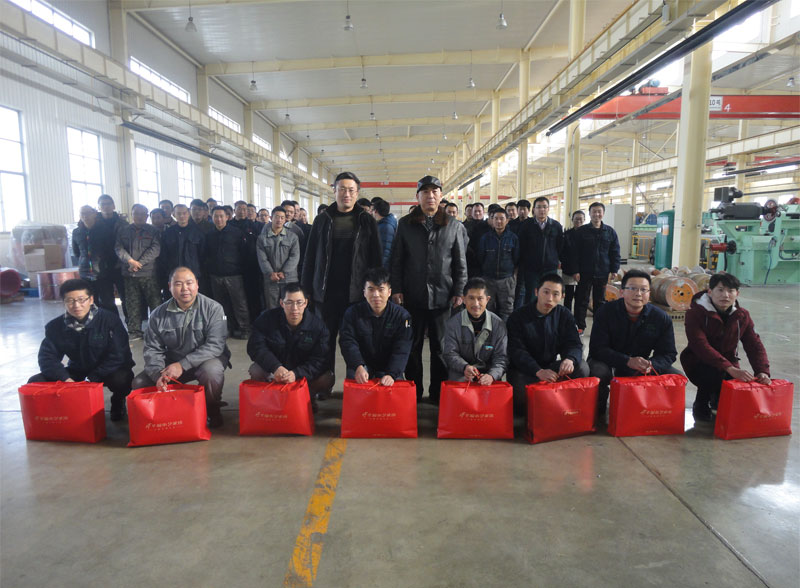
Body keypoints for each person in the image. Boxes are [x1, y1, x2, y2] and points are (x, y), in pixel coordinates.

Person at [390, 175, 468, 403]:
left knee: (441, 347)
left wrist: (459, 291)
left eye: (435, 191)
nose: (430, 196)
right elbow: (397, 260)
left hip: (443, 297)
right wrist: (397, 288)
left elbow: (460, 262)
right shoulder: (405, 224)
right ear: (418, 197)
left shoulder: (454, 225)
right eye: (425, 192)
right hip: (412, 296)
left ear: (441, 195)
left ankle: (437, 393)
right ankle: (413, 392)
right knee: (412, 345)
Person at [302, 171, 382, 382]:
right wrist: (306, 289)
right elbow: (310, 256)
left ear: (357, 193)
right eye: (342, 189)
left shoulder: (366, 220)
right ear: (334, 191)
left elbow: (376, 258)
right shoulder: (322, 220)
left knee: (355, 341)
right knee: (324, 341)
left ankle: (355, 385)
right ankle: (323, 384)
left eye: (351, 190)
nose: (347, 194)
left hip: (356, 294)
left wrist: (375, 290)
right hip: (325, 293)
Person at [131, 267, 230, 427]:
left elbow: (215, 345)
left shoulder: (213, 308)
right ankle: (167, 414)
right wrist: (158, 375)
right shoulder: (157, 315)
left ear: (197, 284)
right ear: (170, 286)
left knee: (211, 371)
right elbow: (152, 349)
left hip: (205, 360)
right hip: (173, 362)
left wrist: (183, 365)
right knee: (139, 383)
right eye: (178, 284)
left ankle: (212, 409)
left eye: (189, 283)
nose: (185, 288)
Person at [28, 278, 134, 421]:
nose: (76, 305)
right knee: (36, 381)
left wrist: (92, 378)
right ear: (64, 302)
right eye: (70, 301)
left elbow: (119, 355)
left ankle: (118, 401)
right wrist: (65, 379)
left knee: (122, 379)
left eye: (81, 299)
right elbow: (47, 358)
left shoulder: (109, 320)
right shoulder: (55, 327)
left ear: (91, 299)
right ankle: (57, 413)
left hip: (107, 371)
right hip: (78, 370)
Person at [588, 269, 682, 419]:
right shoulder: (606, 312)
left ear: (649, 294)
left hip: (641, 363)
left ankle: (656, 412)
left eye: (643, 290)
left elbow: (668, 353)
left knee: (676, 376)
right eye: (632, 288)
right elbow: (597, 349)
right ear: (622, 292)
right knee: (599, 372)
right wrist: (627, 361)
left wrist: (651, 364)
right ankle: (598, 410)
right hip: (608, 360)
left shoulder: (660, 318)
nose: (638, 294)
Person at [680, 273, 770, 422]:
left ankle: (718, 397)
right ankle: (701, 402)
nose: (725, 295)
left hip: (729, 361)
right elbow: (700, 345)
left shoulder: (742, 316)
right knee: (711, 374)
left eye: (730, 291)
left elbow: (754, 345)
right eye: (720, 290)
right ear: (710, 291)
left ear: (737, 293)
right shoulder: (695, 313)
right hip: (697, 361)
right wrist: (729, 368)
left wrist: (762, 371)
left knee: (736, 387)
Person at [507, 273, 589, 415]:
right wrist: (538, 371)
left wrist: (569, 359)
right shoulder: (518, 316)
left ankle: (565, 408)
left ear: (562, 296)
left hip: (551, 366)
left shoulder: (564, 315)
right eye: (545, 292)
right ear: (536, 292)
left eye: (555, 294)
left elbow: (574, 343)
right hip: (525, 369)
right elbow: (516, 351)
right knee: (520, 391)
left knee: (582, 367)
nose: (549, 298)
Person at [247, 283, 333, 411]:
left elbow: (320, 359)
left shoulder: (318, 327)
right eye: (289, 302)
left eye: (299, 302)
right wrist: (275, 367)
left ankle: (307, 398)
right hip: (275, 372)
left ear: (306, 303)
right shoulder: (266, 320)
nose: (294, 308)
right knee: (256, 370)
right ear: (281, 303)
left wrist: (296, 373)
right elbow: (256, 347)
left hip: (301, 375)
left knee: (327, 377)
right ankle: (271, 399)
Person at [339, 267, 412, 386]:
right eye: (371, 289)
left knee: (393, 390)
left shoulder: (401, 316)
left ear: (389, 292)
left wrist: (392, 374)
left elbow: (402, 348)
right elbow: (348, 342)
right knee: (356, 386)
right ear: (364, 292)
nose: (376, 295)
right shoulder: (352, 313)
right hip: (362, 366)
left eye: (381, 289)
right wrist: (358, 365)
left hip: (389, 368)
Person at [443, 277, 508, 385]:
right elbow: (450, 353)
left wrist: (492, 375)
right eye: (471, 298)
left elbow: (501, 357)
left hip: (488, 374)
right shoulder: (453, 324)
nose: (476, 304)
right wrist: (464, 367)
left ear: (487, 300)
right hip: (462, 372)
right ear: (464, 299)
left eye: (480, 298)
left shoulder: (498, 325)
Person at [571, 202, 621, 334]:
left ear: (603, 213)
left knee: (600, 301)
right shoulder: (581, 231)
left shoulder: (610, 232)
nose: (596, 214)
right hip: (584, 272)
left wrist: (614, 269)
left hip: (602, 272)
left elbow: (615, 252)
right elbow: (574, 253)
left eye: (599, 211)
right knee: (581, 300)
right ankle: (579, 326)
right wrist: (575, 270)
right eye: (594, 211)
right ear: (589, 213)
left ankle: (599, 327)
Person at [115, 203, 161, 340]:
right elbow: (118, 248)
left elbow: (155, 249)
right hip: (129, 273)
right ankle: (134, 330)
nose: (139, 216)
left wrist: (139, 263)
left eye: (142, 214)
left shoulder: (153, 231)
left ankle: (157, 330)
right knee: (132, 303)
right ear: (132, 214)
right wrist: (130, 261)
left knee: (155, 302)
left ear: (147, 216)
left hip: (149, 273)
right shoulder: (123, 231)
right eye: (136, 213)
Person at [203, 205, 251, 339]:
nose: (218, 219)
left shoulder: (236, 233)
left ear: (227, 217)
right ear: (212, 218)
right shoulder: (209, 235)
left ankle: (245, 328)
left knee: (240, 304)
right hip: (215, 275)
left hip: (234, 275)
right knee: (221, 305)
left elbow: (244, 253)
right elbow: (206, 254)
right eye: (216, 216)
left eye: (221, 216)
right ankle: (227, 327)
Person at [516, 196, 563, 307]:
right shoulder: (526, 225)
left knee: (549, 296)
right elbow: (521, 246)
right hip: (531, 269)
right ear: (534, 209)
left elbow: (560, 246)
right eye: (539, 207)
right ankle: (530, 317)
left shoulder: (556, 226)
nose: (542, 210)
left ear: (548, 209)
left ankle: (548, 317)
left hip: (550, 268)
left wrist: (553, 259)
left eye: (544, 207)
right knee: (531, 296)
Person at [72, 205, 118, 312]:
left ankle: (112, 322)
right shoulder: (77, 232)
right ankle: (95, 322)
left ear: (94, 214)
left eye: (88, 213)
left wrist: (107, 267)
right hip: (85, 273)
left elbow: (112, 252)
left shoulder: (104, 230)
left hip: (103, 273)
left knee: (108, 302)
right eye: (82, 213)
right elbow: (77, 252)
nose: (85, 216)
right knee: (90, 302)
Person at [477, 208, 519, 321]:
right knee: (488, 307)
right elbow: (481, 257)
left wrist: (512, 274)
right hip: (488, 279)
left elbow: (516, 258)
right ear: (492, 220)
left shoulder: (513, 238)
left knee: (507, 309)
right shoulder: (485, 238)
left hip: (506, 279)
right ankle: (490, 330)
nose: (498, 221)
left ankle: (504, 331)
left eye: (501, 218)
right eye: (496, 218)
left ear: (507, 220)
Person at [256, 206, 300, 309]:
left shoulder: (293, 237)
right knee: (272, 308)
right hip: (271, 279)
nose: (279, 220)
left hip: (289, 279)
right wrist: (270, 273)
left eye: (282, 217)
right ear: (271, 218)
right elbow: (262, 259)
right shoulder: (262, 238)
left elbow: (294, 257)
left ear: (285, 220)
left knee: (290, 307)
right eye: (276, 217)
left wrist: (284, 272)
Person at [230, 200, 265, 322]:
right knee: (237, 298)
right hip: (234, 268)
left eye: (245, 209)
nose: (242, 211)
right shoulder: (229, 226)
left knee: (253, 295)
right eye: (239, 209)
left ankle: (255, 321)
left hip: (252, 267)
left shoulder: (255, 226)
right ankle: (238, 323)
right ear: (234, 210)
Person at [96, 194, 128, 319]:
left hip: (121, 265)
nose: (106, 206)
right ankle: (112, 324)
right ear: (99, 207)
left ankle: (131, 325)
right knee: (106, 300)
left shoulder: (123, 224)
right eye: (103, 204)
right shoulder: (94, 224)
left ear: (113, 206)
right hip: (102, 267)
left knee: (126, 297)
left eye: (108, 204)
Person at [160, 203, 203, 289]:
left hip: (193, 271)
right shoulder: (168, 233)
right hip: (173, 271)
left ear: (189, 213)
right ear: (174, 214)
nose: (182, 216)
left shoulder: (197, 232)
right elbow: (164, 254)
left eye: (184, 213)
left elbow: (202, 253)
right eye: (179, 213)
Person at [562, 210, 585, 313]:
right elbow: (562, 253)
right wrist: (572, 269)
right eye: (576, 219)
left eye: (581, 219)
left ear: (584, 220)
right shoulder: (566, 234)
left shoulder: (587, 234)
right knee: (568, 296)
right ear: (572, 220)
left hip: (584, 271)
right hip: (569, 270)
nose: (578, 221)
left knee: (581, 297)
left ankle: (578, 318)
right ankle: (566, 316)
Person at [466, 202, 491, 277]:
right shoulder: (465, 227)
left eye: (479, 211)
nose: (477, 213)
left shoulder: (489, 227)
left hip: (486, 262)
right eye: (475, 211)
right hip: (469, 262)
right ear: (472, 213)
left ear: (483, 212)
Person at [372, 197, 397, 269]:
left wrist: (380, 269)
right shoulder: (384, 224)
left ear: (375, 211)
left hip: (383, 267)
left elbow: (385, 251)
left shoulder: (385, 226)